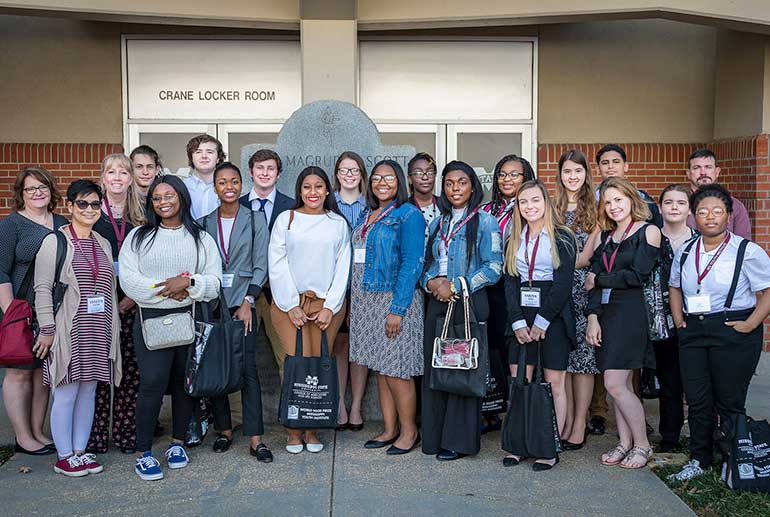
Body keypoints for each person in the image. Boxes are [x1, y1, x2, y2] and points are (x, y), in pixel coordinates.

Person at [119, 175, 222, 481]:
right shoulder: (138, 237)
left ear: (181, 198)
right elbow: (129, 280)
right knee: (152, 384)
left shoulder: (200, 237)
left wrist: (188, 284)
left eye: (169, 196)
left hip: (187, 319)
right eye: (157, 198)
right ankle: (144, 452)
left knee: (182, 384)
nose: (163, 202)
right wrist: (168, 288)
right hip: (149, 320)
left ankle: (177, 444)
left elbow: (214, 281)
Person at [668, 184, 770, 481]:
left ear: (728, 215)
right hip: (693, 330)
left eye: (717, 211)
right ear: (693, 216)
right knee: (698, 400)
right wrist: (678, 320)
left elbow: (766, 292)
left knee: (729, 399)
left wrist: (750, 325)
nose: (709, 217)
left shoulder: (747, 251)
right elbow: (675, 286)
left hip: (733, 328)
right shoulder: (687, 250)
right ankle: (699, 458)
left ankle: (733, 459)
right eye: (702, 211)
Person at [33, 180, 121, 477]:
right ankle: (64, 455)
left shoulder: (103, 242)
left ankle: (81, 452)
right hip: (67, 329)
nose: (89, 209)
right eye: (82, 203)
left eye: (95, 204)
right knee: (67, 391)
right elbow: (42, 288)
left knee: (89, 391)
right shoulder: (54, 242)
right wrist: (47, 328)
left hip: (99, 328)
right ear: (69, 206)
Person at [421, 160, 503, 461]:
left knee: (461, 369)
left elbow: (494, 268)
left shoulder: (485, 222)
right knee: (437, 368)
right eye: (450, 183)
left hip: (467, 302)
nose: (455, 188)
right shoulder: (436, 223)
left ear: (472, 186)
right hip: (436, 303)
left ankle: (459, 441)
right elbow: (425, 265)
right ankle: (434, 438)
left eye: (462, 182)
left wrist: (455, 284)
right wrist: (432, 283)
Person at [268, 166, 351, 454]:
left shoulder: (337, 223)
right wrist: (291, 304)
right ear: (299, 191)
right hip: (289, 304)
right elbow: (276, 263)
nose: (312, 192)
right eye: (307, 187)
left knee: (318, 364)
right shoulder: (285, 219)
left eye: (318, 186)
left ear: (328, 190)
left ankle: (313, 429)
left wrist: (331, 307)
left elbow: (343, 268)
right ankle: (293, 430)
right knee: (294, 364)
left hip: (327, 306)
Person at [349, 160, 426, 454]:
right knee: (382, 369)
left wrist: (398, 308)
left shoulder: (408, 215)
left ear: (400, 182)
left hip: (393, 301)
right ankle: (389, 429)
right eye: (377, 178)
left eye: (389, 178)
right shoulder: (371, 214)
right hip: (368, 301)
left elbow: (412, 263)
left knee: (397, 370)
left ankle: (409, 431)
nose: (382, 182)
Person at [198, 162, 272, 462]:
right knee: (218, 368)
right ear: (214, 187)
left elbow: (260, 264)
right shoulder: (203, 223)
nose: (229, 186)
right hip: (213, 304)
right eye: (222, 182)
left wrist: (249, 300)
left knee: (248, 370)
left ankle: (256, 439)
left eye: (234, 181)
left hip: (244, 305)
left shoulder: (255, 220)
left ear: (242, 184)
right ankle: (225, 430)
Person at [585, 177, 661, 469]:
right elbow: (591, 282)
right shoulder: (606, 237)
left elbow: (637, 276)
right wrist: (592, 317)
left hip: (631, 315)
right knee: (622, 385)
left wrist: (601, 279)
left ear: (632, 199)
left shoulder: (649, 232)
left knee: (614, 384)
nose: (614, 206)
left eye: (619, 199)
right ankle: (624, 443)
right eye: (608, 201)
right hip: (606, 314)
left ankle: (643, 445)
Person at [503, 180, 577, 471]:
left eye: (535, 200)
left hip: (553, 314)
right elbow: (510, 282)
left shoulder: (563, 237)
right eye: (523, 202)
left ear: (546, 203)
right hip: (521, 311)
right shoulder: (514, 237)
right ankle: (519, 444)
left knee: (554, 383)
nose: (529, 207)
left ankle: (548, 445)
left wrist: (543, 321)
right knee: (519, 380)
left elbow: (563, 285)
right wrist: (518, 321)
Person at [0, 167, 67, 456]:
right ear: (21, 194)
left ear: (51, 190)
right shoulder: (11, 225)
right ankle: (23, 437)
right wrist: (11, 314)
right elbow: (1, 271)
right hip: (20, 310)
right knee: (19, 373)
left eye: (42, 187)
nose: (38, 192)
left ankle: (39, 431)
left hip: (53, 312)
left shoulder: (63, 223)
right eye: (30, 189)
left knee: (43, 373)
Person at [87, 153, 146, 455]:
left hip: (133, 302)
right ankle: (96, 436)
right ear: (103, 178)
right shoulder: (91, 212)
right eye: (112, 172)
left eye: (124, 172)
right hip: (98, 303)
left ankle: (125, 434)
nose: (118, 177)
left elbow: (151, 260)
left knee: (130, 372)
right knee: (99, 371)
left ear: (131, 178)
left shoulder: (142, 214)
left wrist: (132, 297)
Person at [480, 154, 536, 434]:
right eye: (502, 174)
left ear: (526, 177)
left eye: (514, 174)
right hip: (488, 288)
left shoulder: (529, 209)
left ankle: (517, 413)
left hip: (515, 286)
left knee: (512, 350)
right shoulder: (487, 209)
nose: (507, 179)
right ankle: (490, 409)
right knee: (489, 349)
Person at [553, 150, 601, 451]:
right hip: (556, 291)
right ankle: (566, 421)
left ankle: (579, 423)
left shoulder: (596, 210)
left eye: (578, 171)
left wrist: (560, 262)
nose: (572, 176)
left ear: (586, 174)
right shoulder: (551, 207)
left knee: (584, 360)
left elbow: (587, 257)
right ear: (560, 174)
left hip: (583, 291)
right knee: (565, 360)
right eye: (567, 171)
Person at [240, 149, 294, 379]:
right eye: (260, 168)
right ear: (251, 172)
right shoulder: (237, 204)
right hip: (244, 293)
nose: (265, 173)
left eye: (270, 168)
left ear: (279, 174)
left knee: (287, 357)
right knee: (241, 358)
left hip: (278, 294)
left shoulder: (292, 206)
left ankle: (289, 413)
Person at [654, 184, 695, 453]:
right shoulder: (652, 238)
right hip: (660, 320)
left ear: (689, 209)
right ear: (660, 208)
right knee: (668, 381)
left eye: (681, 203)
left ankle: (705, 436)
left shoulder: (700, 240)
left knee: (696, 380)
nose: (674, 208)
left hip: (695, 319)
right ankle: (669, 437)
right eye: (669, 202)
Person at [331, 151, 369, 432]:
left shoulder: (372, 206)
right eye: (343, 170)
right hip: (336, 285)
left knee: (361, 349)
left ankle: (356, 406)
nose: (349, 175)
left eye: (354, 170)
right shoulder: (327, 204)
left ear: (361, 174)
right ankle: (340, 405)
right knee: (340, 346)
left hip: (367, 286)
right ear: (336, 174)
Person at [684, 149, 751, 239]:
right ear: (688, 173)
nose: (703, 172)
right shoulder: (678, 204)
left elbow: (744, 244)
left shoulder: (735, 205)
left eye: (708, 167)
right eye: (697, 167)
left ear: (717, 172)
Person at [183, 134, 225, 219]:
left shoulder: (227, 187)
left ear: (218, 158)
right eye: (198, 152)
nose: (204, 156)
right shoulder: (182, 187)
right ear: (191, 158)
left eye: (209, 152)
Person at [407, 152, 440, 235]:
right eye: (418, 173)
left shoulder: (446, 205)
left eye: (429, 173)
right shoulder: (403, 208)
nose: (425, 177)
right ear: (410, 179)